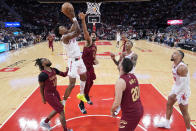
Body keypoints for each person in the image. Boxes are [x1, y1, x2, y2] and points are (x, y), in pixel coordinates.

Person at [59, 3, 87, 104]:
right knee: (72, 84)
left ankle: (81, 94)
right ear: (60, 33)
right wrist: (73, 16)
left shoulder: (69, 32)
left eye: (63, 26)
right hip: (72, 62)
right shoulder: (65, 37)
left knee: (84, 77)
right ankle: (63, 103)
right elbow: (78, 31)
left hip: (79, 59)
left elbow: (75, 26)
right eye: (60, 28)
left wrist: (71, 15)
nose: (62, 28)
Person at [156, 50, 191, 131]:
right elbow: (178, 82)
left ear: (180, 57)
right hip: (176, 87)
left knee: (184, 111)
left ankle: (188, 130)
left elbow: (183, 85)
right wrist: (174, 91)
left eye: (175, 54)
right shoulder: (174, 64)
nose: (172, 54)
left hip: (183, 91)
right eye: (173, 53)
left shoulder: (182, 68)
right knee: (169, 104)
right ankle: (167, 123)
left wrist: (175, 94)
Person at [35, 58, 72, 131]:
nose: (48, 60)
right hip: (49, 95)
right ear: (43, 64)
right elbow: (41, 87)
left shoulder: (54, 70)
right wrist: (43, 98)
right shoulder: (42, 75)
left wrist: (68, 70)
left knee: (58, 108)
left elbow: (64, 74)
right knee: (61, 111)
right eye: (45, 60)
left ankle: (45, 122)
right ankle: (65, 130)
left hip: (55, 92)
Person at [111, 58, 143, 131]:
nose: (119, 62)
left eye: (120, 62)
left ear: (121, 67)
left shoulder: (120, 81)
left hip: (131, 114)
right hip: (139, 108)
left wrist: (112, 110)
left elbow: (117, 103)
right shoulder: (133, 76)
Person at [78, 12, 99, 114]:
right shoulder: (89, 42)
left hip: (90, 67)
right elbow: (85, 31)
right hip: (84, 68)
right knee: (85, 85)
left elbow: (92, 57)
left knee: (91, 82)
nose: (92, 35)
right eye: (91, 34)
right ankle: (81, 104)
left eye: (94, 34)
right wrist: (83, 20)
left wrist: (95, 60)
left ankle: (86, 95)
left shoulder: (95, 46)